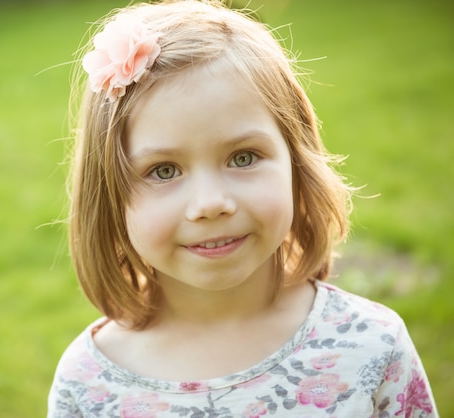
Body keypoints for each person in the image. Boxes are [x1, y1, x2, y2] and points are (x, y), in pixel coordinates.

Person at [47, 1, 439, 416]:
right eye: (163, 170)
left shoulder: (371, 346)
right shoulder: (88, 384)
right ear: (108, 194)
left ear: (296, 162)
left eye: (243, 157)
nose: (211, 204)